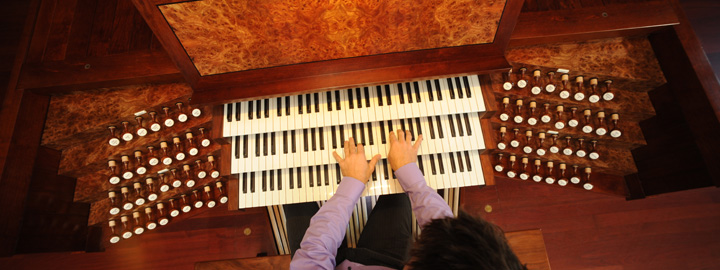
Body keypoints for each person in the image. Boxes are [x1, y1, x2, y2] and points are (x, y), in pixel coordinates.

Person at [287, 130, 527, 270]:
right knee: (400, 196)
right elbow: (447, 234)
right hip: (387, 261)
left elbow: (313, 253)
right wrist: (409, 173)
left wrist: (352, 183)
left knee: (292, 191)